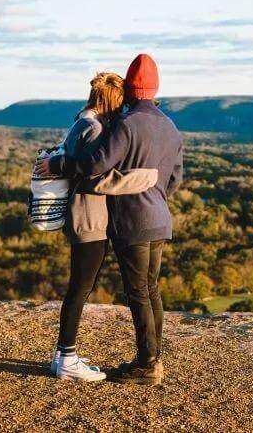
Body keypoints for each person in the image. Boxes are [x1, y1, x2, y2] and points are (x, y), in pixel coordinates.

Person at [36, 54, 183, 385]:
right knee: (151, 290)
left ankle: (146, 366)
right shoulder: (171, 127)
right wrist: (155, 196)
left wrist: (58, 165)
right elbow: (175, 179)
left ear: (131, 88)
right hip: (160, 217)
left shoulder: (127, 125)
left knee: (139, 294)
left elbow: (94, 165)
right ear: (155, 88)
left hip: (132, 220)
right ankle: (153, 360)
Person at [50, 72, 125, 382]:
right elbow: (95, 174)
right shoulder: (94, 129)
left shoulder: (80, 122)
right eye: (119, 103)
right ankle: (66, 358)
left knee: (79, 286)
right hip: (89, 217)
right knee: (80, 288)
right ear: (108, 100)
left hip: (80, 215)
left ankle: (64, 355)